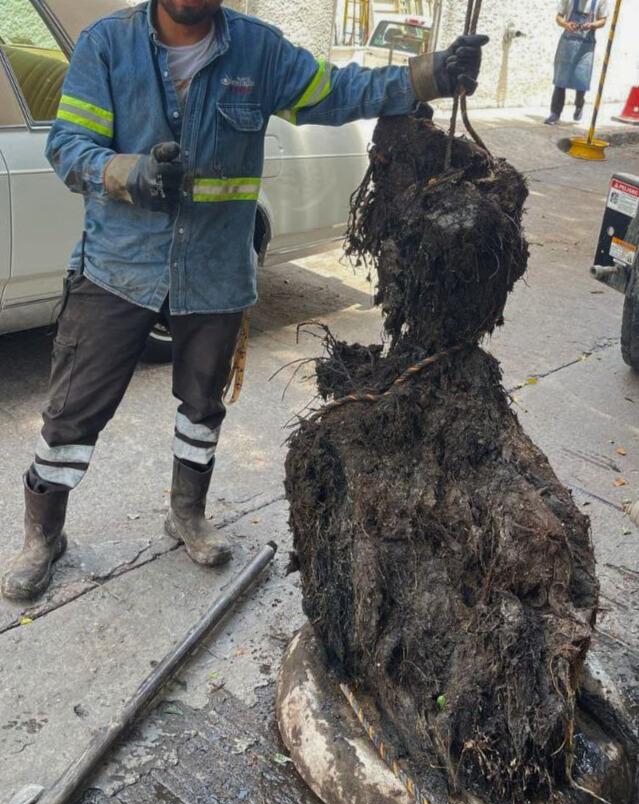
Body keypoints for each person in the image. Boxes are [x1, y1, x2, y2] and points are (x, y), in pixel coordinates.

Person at [2, 0, 488, 603]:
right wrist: (128, 173)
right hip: (118, 267)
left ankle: (187, 513)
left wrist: (430, 75)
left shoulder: (258, 50)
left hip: (216, 269)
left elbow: (337, 91)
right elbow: (69, 146)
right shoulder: (108, 45)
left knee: (202, 405)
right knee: (72, 412)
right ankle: (43, 538)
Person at [545, 0, 609, 124]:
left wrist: (592, 25)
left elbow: (603, 20)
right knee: (560, 78)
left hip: (586, 46)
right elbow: (558, 17)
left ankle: (579, 104)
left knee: (581, 78)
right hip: (567, 43)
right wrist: (565, 24)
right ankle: (555, 113)